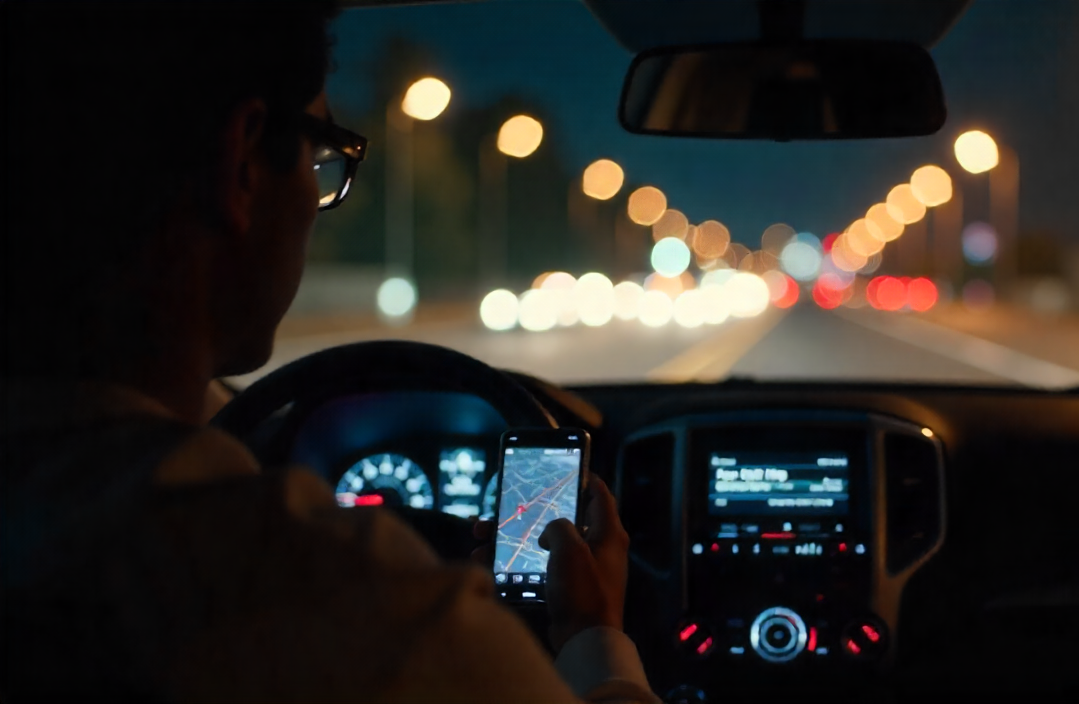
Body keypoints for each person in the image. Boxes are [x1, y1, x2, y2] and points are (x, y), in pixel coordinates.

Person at [0, 3, 658, 702]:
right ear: (243, 161)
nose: (317, 197)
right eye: (321, 156)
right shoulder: (365, 611)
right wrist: (593, 635)